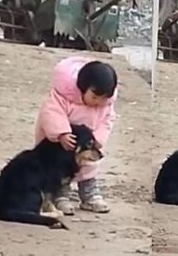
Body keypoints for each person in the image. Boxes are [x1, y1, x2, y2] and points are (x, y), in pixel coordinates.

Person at [35, 56, 118, 214]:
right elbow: (51, 112)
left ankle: (89, 193)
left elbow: (108, 120)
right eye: (94, 97)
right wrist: (61, 133)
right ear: (82, 87)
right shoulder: (63, 96)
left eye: (103, 98)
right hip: (61, 144)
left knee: (89, 164)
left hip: (85, 144)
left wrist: (98, 139)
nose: (98, 102)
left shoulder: (105, 105)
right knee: (60, 169)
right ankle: (61, 194)